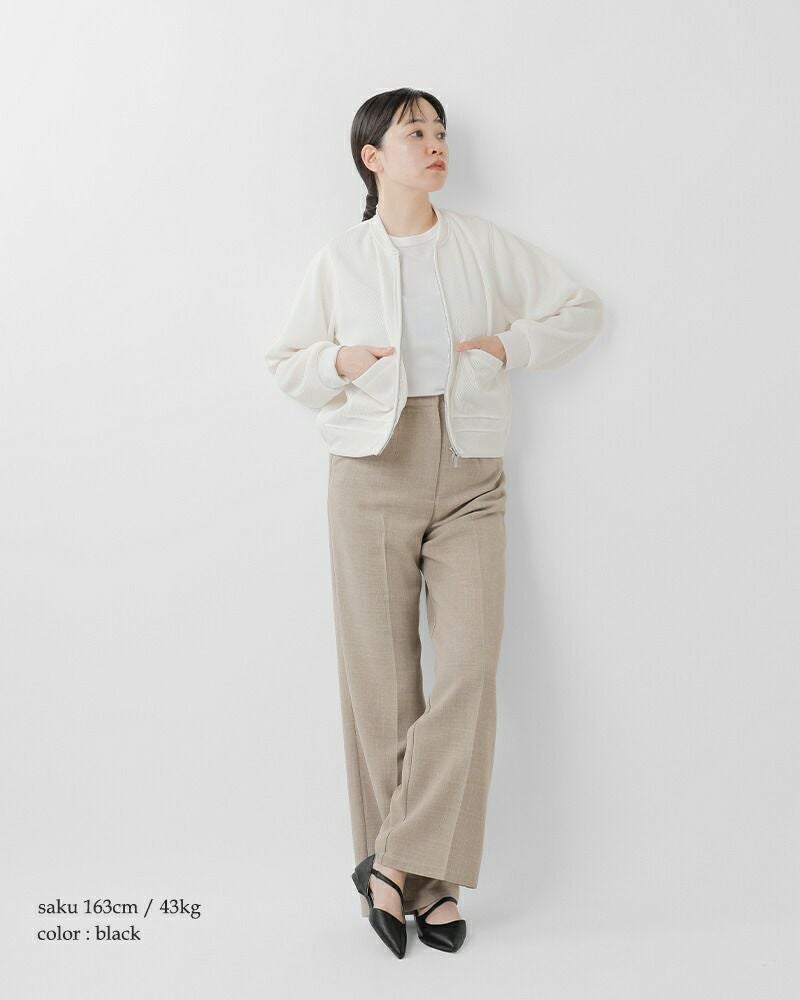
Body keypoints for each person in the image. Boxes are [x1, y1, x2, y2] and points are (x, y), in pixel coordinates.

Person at [265, 88, 603, 957]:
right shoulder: (340, 258)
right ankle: (430, 885)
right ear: (373, 157)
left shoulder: (483, 244)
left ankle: (392, 863)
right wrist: (341, 360)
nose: (435, 143)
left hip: (470, 472)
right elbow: (287, 363)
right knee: (381, 686)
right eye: (415, 131)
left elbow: (578, 309)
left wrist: (508, 347)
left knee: (470, 670)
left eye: (441, 131)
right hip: (370, 471)